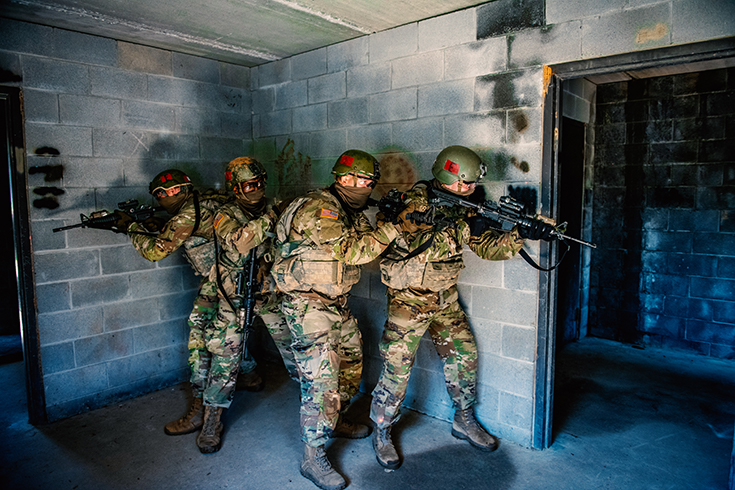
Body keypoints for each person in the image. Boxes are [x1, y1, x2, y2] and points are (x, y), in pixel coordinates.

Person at [369, 145, 556, 470]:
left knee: (464, 355)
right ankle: (382, 430)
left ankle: (464, 418)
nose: (469, 189)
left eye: (471, 184)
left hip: (444, 296)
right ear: (445, 176)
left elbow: (485, 247)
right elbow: (419, 245)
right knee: (397, 369)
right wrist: (464, 229)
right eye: (463, 184)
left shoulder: (467, 206)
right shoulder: (413, 202)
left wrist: (519, 235)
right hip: (408, 299)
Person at [272, 150, 403, 490]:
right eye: (366, 181)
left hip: (335, 304)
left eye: (372, 182)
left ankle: (337, 419)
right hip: (308, 307)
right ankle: (312, 456)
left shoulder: (350, 209)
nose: (370, 187)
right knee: (320, 382)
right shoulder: (320, 208)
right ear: (344, 179)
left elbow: (368, 249)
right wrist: (394, 228)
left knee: (350, 362)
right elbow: (354, 251)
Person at [122, 168, 265, 454]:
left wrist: (130, 227)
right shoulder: (207, 201)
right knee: (213, 337)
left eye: (176, 191)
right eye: (163, 194)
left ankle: (209, 418)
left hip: (229, 286)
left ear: (186, 189)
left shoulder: (188, 214)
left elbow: (154, 251)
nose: (170, 196)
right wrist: (158, 223)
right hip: (224, 282)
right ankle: (248, 375)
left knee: (214, 347)